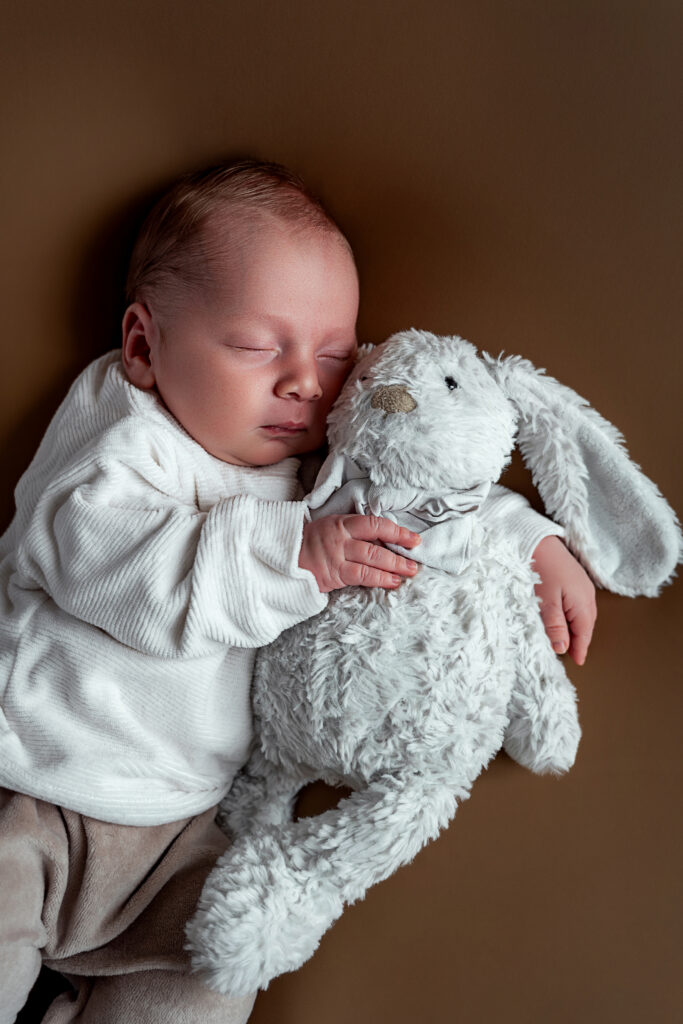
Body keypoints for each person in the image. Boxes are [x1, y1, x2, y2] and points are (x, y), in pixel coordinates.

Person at [0, 159, 596, 1023]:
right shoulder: (121, 438)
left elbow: (425, 496)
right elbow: (115, 570)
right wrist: (297, 560)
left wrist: (534, 543)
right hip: (32, 784)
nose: (304, 383)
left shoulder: (310, 466)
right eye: (256, 346)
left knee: (209, 978)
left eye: (333, 355)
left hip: (176, 830)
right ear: (143, 345)